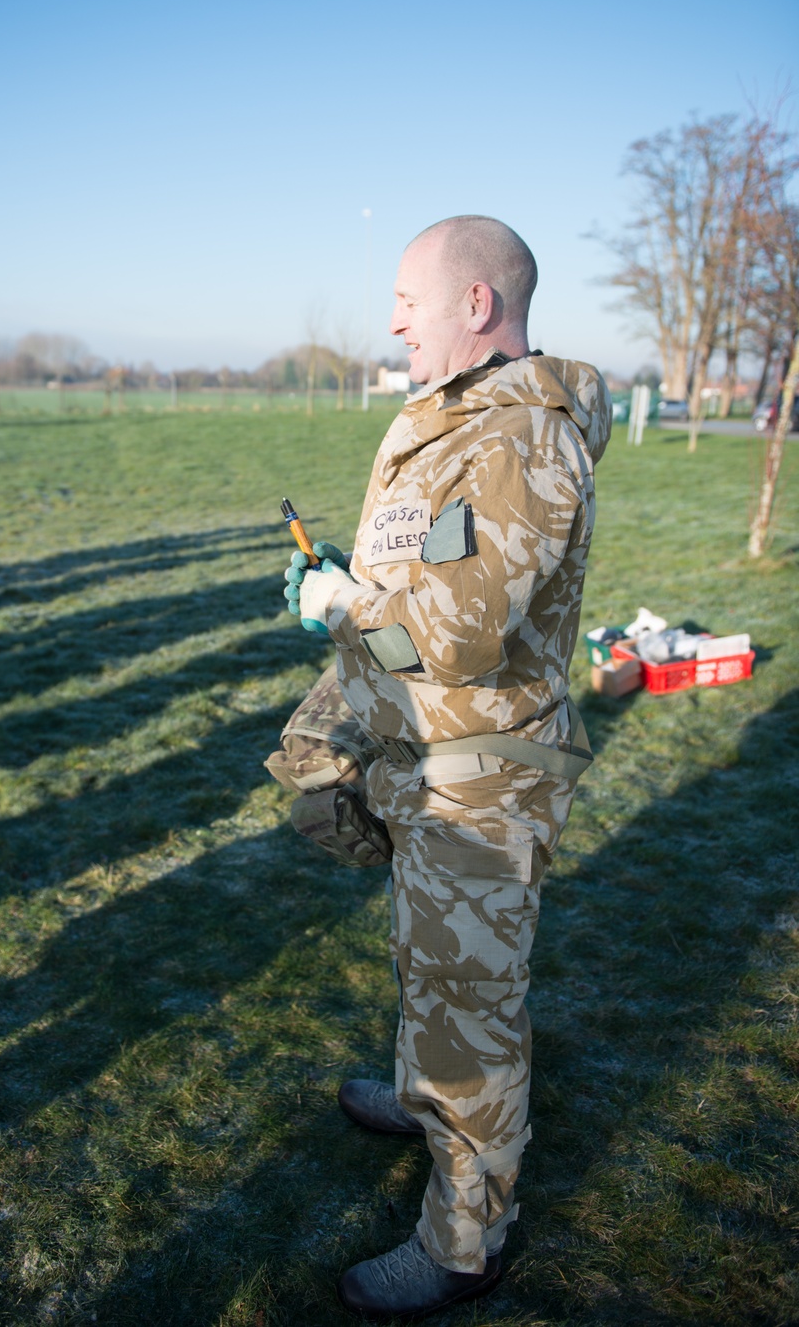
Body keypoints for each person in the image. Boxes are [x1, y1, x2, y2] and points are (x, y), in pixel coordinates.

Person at [275, 216, 611, 1319]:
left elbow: (455, 633)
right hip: (425, 753)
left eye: (407, 298)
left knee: (473, 1014)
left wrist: (344, 609)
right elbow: (413, 580)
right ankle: (425, 1101)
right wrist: (350, 594)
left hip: (480, 772)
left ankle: (465, 1245)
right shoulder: (456, 420)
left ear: (476, 305)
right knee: (432, 970)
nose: (391, 319)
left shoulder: (521, 439)